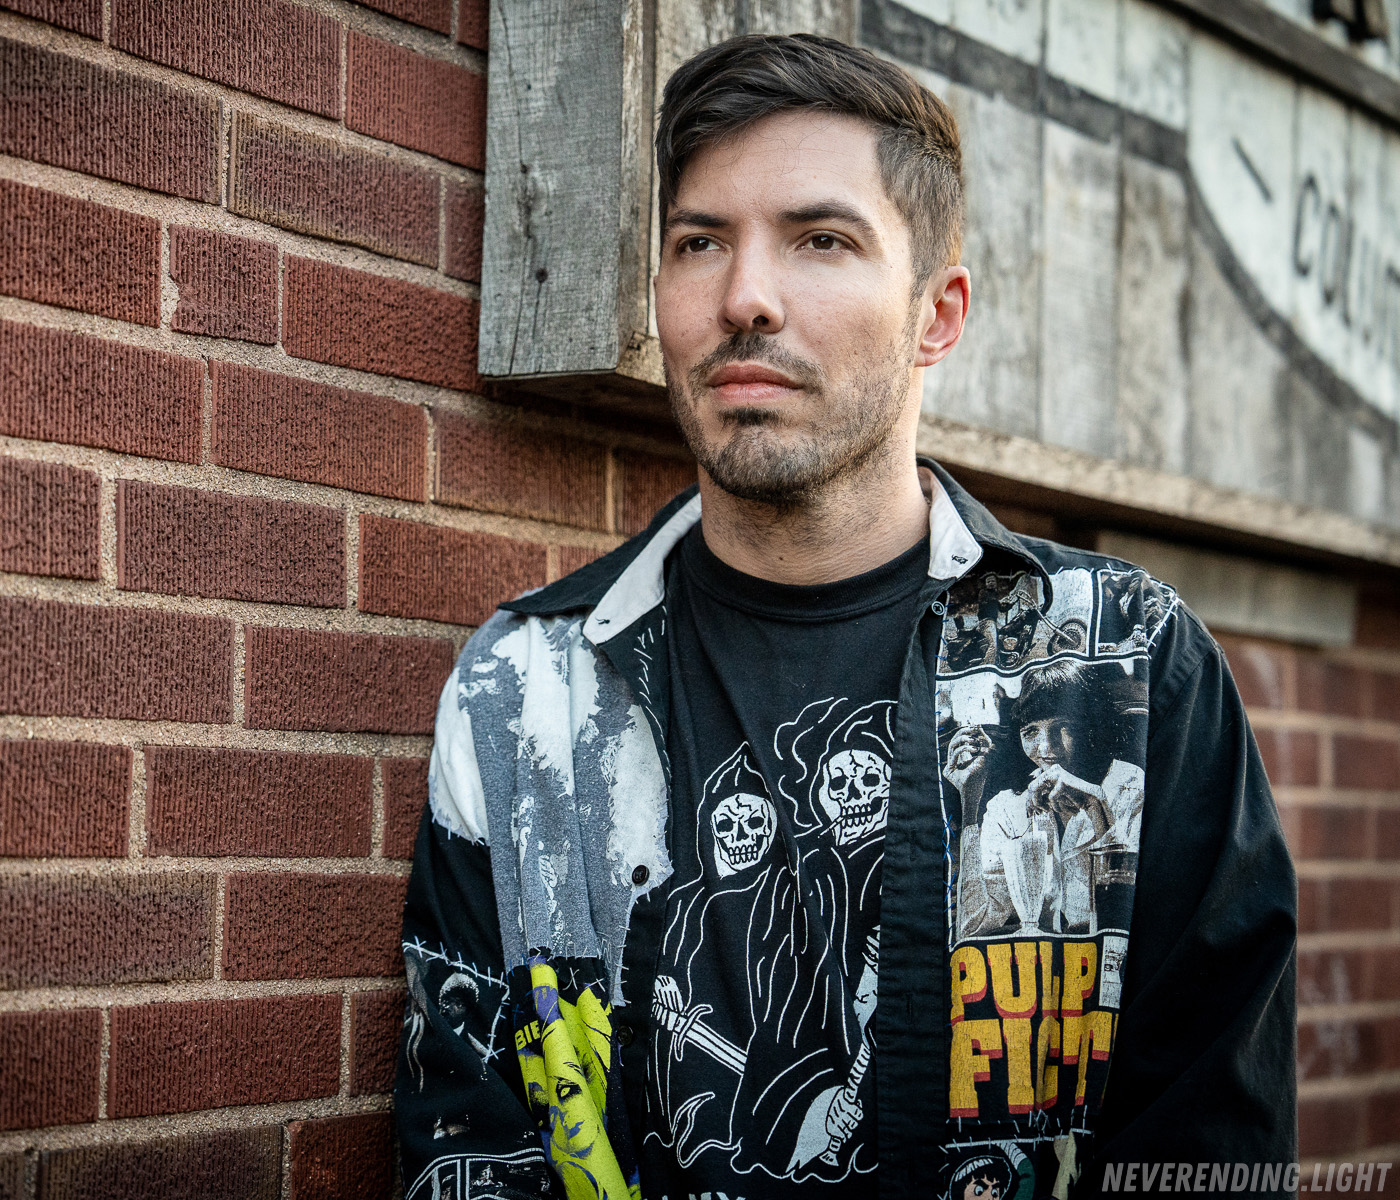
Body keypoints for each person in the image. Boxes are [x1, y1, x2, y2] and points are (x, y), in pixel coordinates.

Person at [395, 31, 1295, 1200]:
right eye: (699, 241)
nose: (745, 297)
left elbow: (1207, 1142)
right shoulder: (527, 694)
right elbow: (466, 1146)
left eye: (820, 239)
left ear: (937, 314)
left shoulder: (1123, 665)